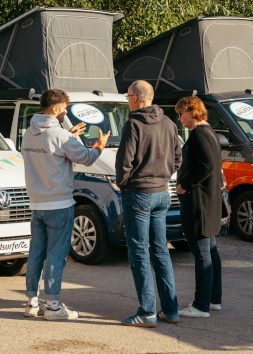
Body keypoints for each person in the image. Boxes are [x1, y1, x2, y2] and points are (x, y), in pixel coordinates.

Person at [21, 89, 110, 321]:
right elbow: (87, 158)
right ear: (54, 109)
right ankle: (52, 306)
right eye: (64, 108)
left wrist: (68, 135)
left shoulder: (29, 133)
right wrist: (100, 145)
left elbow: (49, 150)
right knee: (56, 256)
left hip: (37, 204)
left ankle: (32, 303)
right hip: (59, 203)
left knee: (36, 254)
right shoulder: (60, 136)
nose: (66, 112)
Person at [116, 80, 182, 327]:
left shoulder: (133, 123)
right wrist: (164, 175)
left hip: (139, 193)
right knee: (161, 251)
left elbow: (124, 161)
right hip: (162, 193)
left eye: (128, 96)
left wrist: (123, 184)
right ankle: (171, 309)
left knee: (139, 252)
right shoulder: (168, 123)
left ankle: (147, 311)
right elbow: (178, 158)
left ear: (135, 98)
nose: (128, 100)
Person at [175, 96, 222, 318]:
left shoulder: (199, 134)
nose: (179, 118)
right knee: (210, 251)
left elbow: (207, 166)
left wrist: (184, 185)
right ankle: (213, 299)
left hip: (199, 202)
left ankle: (201, 305)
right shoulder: (208, 132)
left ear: (191, 111)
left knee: (202, 255)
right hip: (207, 201)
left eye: (181, 114)